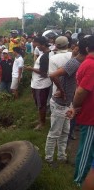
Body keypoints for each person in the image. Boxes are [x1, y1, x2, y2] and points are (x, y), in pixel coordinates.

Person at [66, 35, 94, 186]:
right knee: (86, 150)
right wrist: (75, 107)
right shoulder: (90, 65)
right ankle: (79, 180)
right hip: (90, 116)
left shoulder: (88, 63)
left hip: (89, 113)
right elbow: (81, 92)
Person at [44, 36, 72, 166]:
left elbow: (51, 76)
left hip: (59, 97)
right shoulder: (73, 56)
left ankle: (55, 157)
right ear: (68, 44)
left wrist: (61, 89)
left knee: (55, 131)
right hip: (68, 98)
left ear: (56, 45)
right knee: (64, 131)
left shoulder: (53, 58)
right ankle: (56, 157)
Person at [25, 36, 52, 130]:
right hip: (38, 84)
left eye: (36, 44)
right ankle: (41, 119)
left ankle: (42, 123)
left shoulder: (45, 56)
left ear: (42, 44)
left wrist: (31, 68)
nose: (35, 46)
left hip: (41, 85)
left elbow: (44, 73)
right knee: (39, 104)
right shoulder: (44, 54)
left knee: (41, 105)